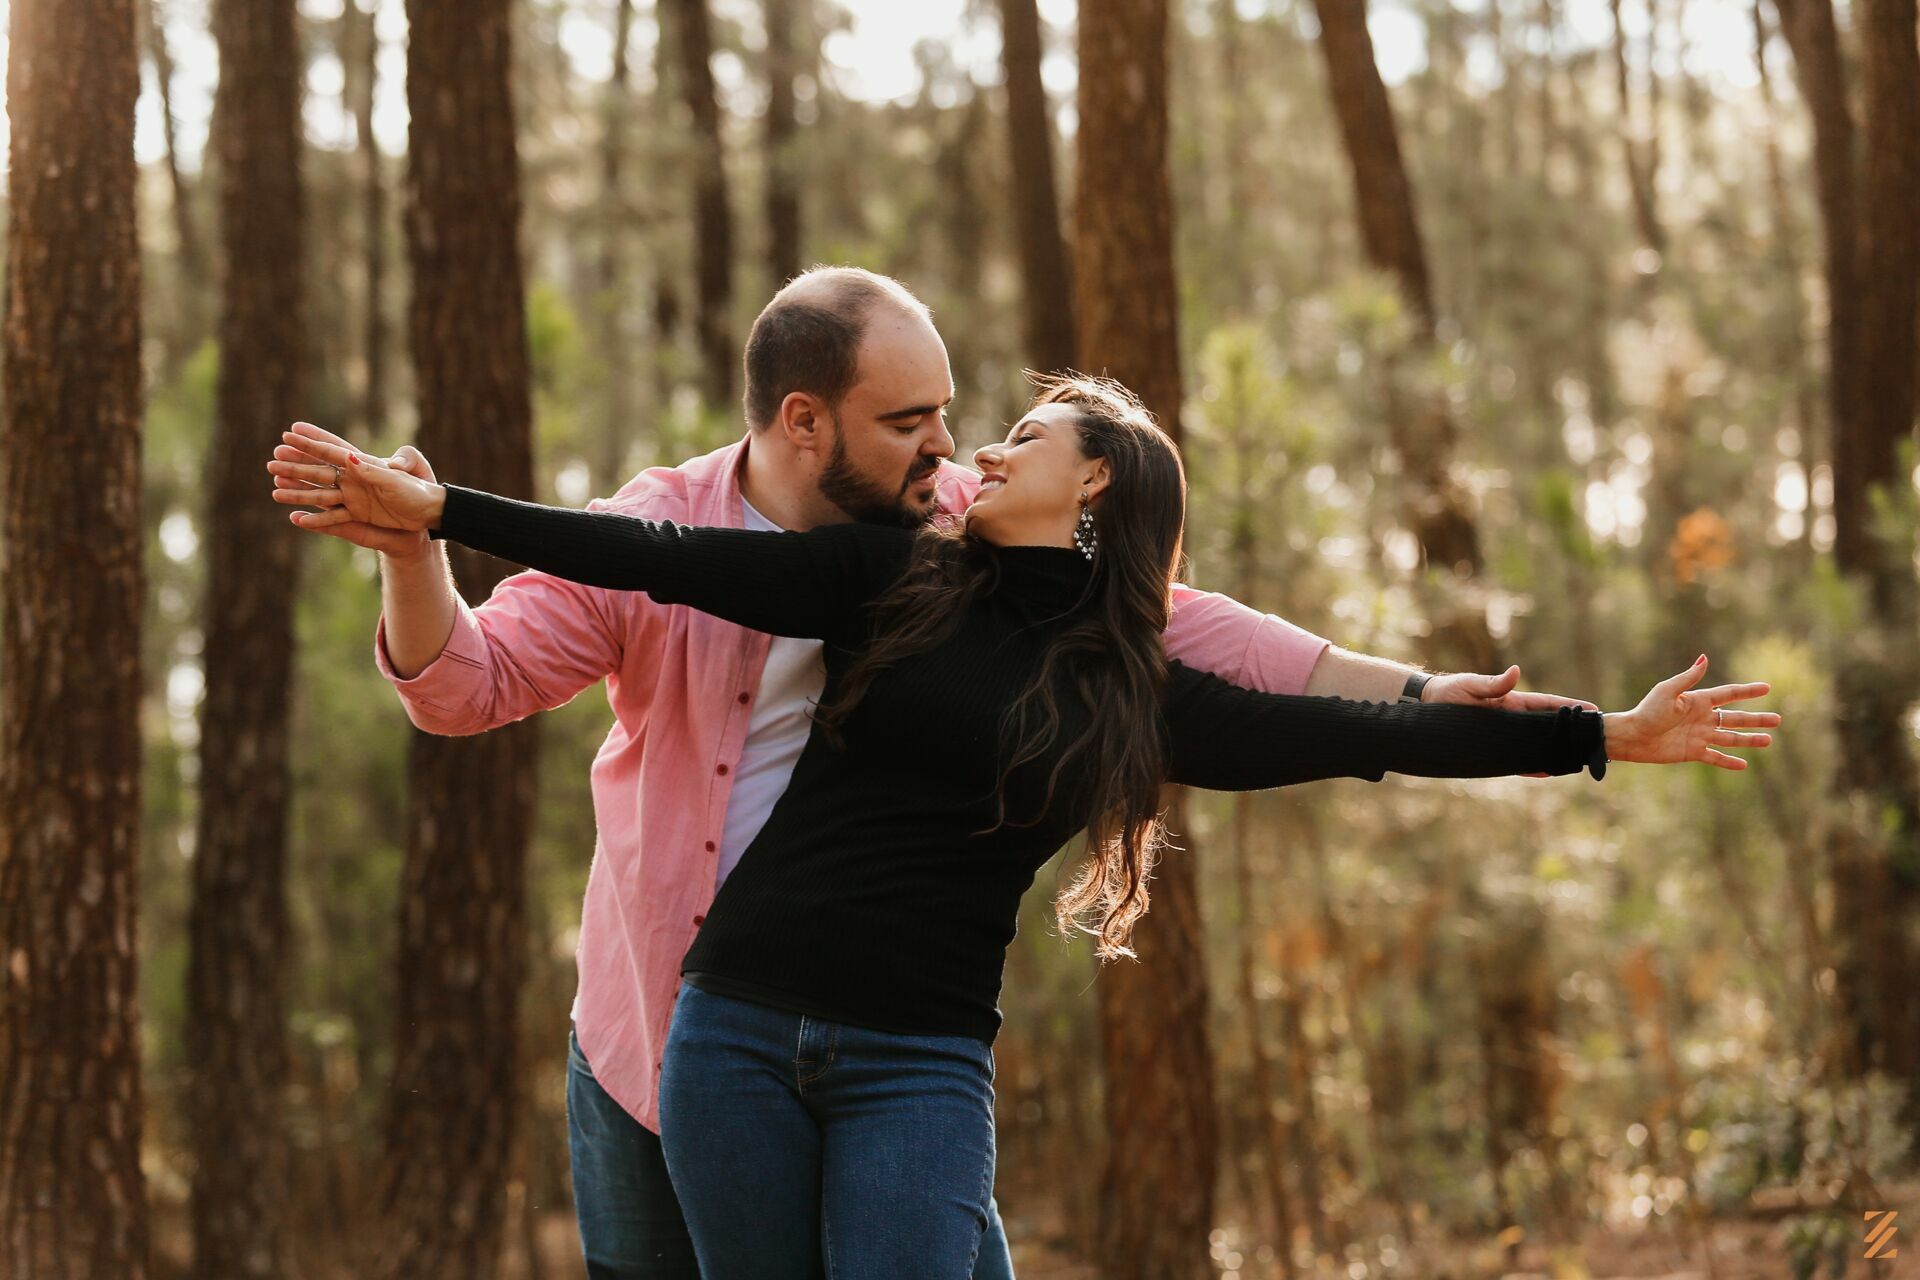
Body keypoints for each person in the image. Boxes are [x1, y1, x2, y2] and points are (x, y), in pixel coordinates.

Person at [270, 364, 1777, 1278]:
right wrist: (441, 515)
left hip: (919, 1060)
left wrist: (1600, 736)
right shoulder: (887, 581)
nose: (971, 453)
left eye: (1016, 436)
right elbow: (657, 555)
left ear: (1096, 481)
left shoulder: (1139, 692)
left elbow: (1352, 737)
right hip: (725, 1029)